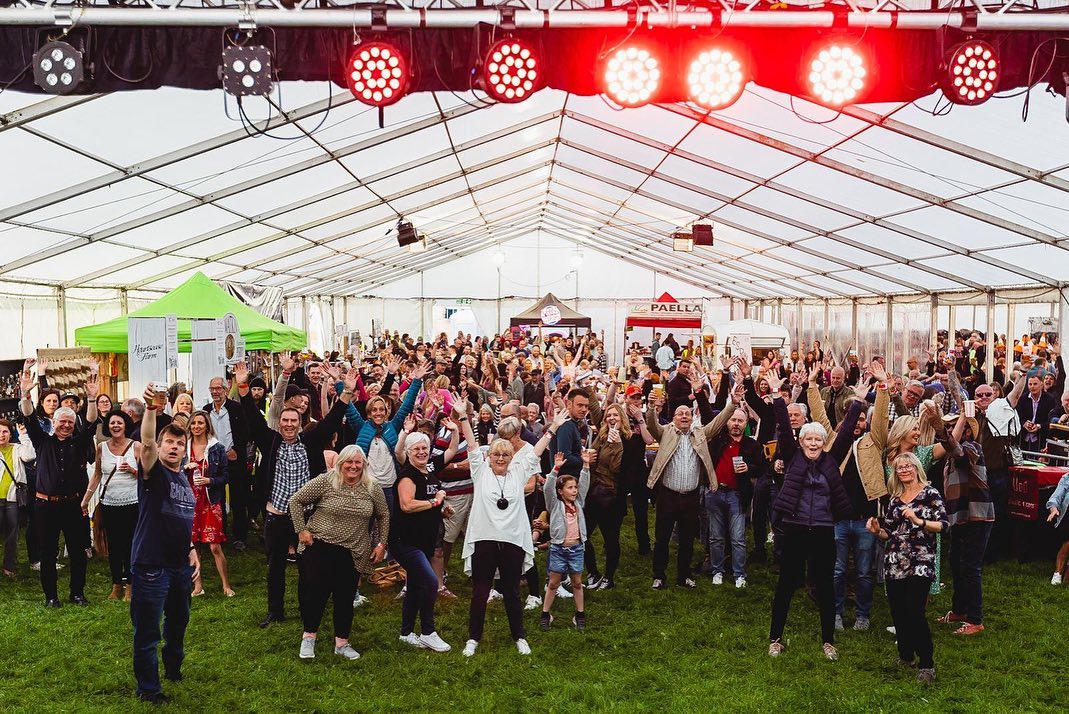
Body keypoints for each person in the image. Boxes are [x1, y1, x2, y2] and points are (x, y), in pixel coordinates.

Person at [235, 361, 357, 628]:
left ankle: (306, 610)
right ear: (279, 423)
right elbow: (252, 418)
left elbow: (334, 418)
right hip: (277, 515)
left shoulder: (311, 442)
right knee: (275, 567)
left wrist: (346, 392)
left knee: (307, 568)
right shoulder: (271, 441)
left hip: (306, 517)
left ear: (301, 423)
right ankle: (275, 612)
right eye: (285, 421)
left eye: (294, 421)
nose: (289, 425)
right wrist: (243, 385)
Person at [767, 370, 866, 661]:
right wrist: (776, 395)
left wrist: (858, 400)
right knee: (786, 585)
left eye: (817, 440)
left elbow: (847, 431)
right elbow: (784, 428)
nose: (812, 443)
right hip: (795, 529)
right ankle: (776, 638)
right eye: (808, 438)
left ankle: (827, 641)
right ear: (801, 442)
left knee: (824, 586)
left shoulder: (831, 459)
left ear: (823, 443)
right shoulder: (793, 454)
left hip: (823, 530)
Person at [455, 409, 563, 657]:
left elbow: (537, 450)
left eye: (506, 454)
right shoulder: (480, 472)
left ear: (512, 456)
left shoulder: (518, 473)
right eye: (496, 454)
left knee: (512, 591)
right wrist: (463, 417)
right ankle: (473, 638)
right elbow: (472, 445)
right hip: (485, 539)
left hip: (512, 540)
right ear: (489, 456)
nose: (501, 458)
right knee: (481, 590)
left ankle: (520, 637)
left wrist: (553, 427)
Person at [130, 383, 200, 705]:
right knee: (148, 632)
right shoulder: (153, 474)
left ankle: (173, 668)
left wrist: (191, 551)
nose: (173, 447)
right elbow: (145, 441)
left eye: (178, 443)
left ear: (185, 449)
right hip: (152, 568)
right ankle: (149, 689)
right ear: (159, 448)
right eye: (168, 442)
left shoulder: (184, 478)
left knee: (178, 623)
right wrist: (151, 410)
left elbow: (183, 519)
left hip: (179, 568)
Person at [289, 445, 390, 661]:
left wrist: (381, 544)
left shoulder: (373, 487)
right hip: (320, 546)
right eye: (349, 462)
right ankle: (309, 637)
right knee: (316, 592)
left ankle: (342, 643)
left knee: (345, 597)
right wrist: (301, 530)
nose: (353, 466)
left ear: (364, 464)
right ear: (340, 463)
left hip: (354, 550)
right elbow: (295, 500)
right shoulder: (326, 481)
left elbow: (384, 515)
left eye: (358, 462)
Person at [19, 366, 98, 607]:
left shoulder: (80, 440)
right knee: (47, 553)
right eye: (61, 421)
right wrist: (25, 394)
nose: (65, 425)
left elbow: (92, 420)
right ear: (53, 422)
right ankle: (51, 597)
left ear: (74, 425)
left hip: (73, 505)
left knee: (77, 552)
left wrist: (92, 397)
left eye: (69, 422)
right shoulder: (42, 440)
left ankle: (77, 593)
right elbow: (29, 416)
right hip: (45, 506)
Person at [867, 452, 949, 684]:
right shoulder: (895, 499)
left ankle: (927, 664)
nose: (903, 470)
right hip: (894, 561)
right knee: (898, 611)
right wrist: (876, 531)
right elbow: (888, 533)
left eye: (907, 466)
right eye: (899, 468)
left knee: (914, 611)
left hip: (920, 561)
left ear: (916, 468)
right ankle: (905, 656)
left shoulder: (930, 494)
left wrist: (918, 520)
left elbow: (943, 525)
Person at [644, 386, 736, 590]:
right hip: (668, 495)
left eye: (687, 413)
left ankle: (683, 576)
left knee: (687, 540)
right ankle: (659, 576)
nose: (684, 416)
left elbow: (719, 422)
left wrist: (733, 404)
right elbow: (651, 425)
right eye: (680, 414)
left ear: (692, 416)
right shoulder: (665, 432)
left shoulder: (700, 434)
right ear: (674, 418)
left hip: (691, 497)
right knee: (662, 539)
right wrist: (651, 407)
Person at [393, 405, 463, 653]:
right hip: (406, 541)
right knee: (430, 583)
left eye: (424, 448)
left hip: (424, 539)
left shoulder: (428, 474)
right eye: (417, 449)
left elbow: (429, 503)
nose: (422, 452)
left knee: (414, 585)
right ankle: (428, 632)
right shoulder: (407, 475)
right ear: (409, 453)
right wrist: (435, 502)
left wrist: (441, 509)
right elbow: (407, 505)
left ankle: (405, 633)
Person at [81, 410, 140, 601]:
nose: (116, 426)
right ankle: (116, 586)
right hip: (109, 503)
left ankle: (130, 587)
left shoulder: (136, 447)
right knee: (114, 546)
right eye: (112, 423)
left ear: (126, 426)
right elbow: (97, 475)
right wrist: (86, 500)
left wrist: (132, 470)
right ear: (108, 426)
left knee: (131, 545)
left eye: (119, 423)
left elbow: (148, 476)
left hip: (132, 503)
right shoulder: (101, 448)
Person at [705, 406, 765, 589]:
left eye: (740, 421)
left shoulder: (752, 445)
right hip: (715, 492)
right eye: (733, 420)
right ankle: (717, 571)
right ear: (727, 422)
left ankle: (739, 574)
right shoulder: (717, 441)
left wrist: (749, 469)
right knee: (715, 537)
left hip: (737, 495)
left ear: (746, 424)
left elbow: (762, 468)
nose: (736, 424)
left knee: (738, 538)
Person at [540, 450, 593, 631]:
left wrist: (585, 465)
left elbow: (585, 484)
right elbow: (547, 488)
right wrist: (555, 469)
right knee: (554, 582)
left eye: (575, 488)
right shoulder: (554, 504)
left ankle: (579, 614)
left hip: (576, 549)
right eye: (570, 488)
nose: (574, 491)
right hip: (558, 549)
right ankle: (546, 613)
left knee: (577, 582)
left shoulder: (578, 503)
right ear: (560, 491)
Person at [185, 411, 234, 598]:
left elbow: (225, 477)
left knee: (214, 545)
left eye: (200, 423)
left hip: (210, 501)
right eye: (193, 423)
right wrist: (184, 468)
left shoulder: (217, 448)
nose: (196, 426)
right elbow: (173, 471)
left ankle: (226, 585)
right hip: (189, 502)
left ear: (207, 426)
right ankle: (198, 586)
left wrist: (209, 481)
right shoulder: (184, 447)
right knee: (193, 544)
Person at [204, 375, 250, 551]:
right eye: (212, 389)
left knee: (239, 499)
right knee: (217, 499)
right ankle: (220, 533)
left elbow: (245, 431)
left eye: (218, 388)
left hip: (233, 458)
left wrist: (236, 450)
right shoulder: (206, 409)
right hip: (215, 460)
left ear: (225, 389)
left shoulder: (235, 408)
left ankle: (240, 536)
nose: (215, 392)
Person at [0, 420, 34, 577]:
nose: (2, 435)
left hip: (12, 498)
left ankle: (8, 566)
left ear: (10, 433)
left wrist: (24, 436)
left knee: (12, 534)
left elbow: (29, 456)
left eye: (5, 431)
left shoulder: (17, 448)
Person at [1045, 469, 1069, 585]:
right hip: (1067, 516)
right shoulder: (1067, 478)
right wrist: (1053, 508)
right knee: (1068, 543)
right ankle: (1058, 572)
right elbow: (1056, 496)